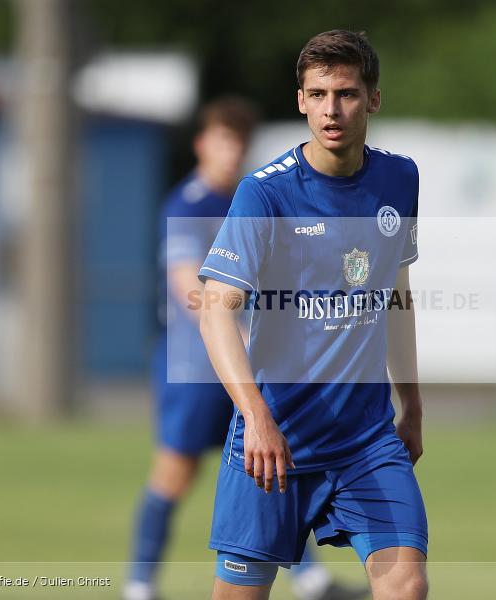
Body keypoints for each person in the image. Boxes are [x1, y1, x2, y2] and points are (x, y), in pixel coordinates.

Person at [198, 30, 428, 600]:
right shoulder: (264, 195)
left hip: (365, 441)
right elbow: (215, 312)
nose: (332, 110)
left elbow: (395, 294)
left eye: (347, 93)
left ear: (373, 99)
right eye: (319, 94)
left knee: (406, 585)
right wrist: (255, 417)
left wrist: (413, 403)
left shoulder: (400, 179)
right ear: (301, 100)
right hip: (274, 440)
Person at [124, 97, 368, 600]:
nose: (231, 152)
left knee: (275, 463)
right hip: (194, 369)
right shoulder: (187, 204)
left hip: (254, 366)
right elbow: (190, 290)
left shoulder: (257, 199)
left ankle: (310, 580)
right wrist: (246, 331)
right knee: (175, 473)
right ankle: (140, 584)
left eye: (239, 142)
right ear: (201, 145)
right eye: (223, 140)